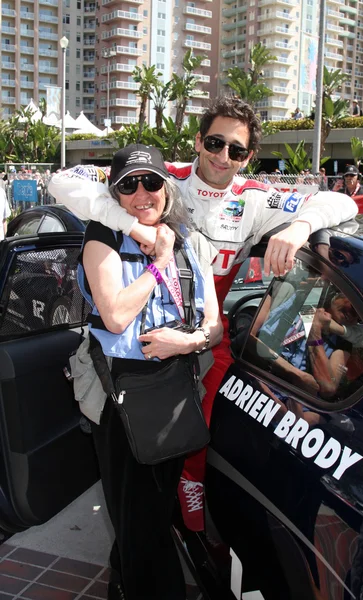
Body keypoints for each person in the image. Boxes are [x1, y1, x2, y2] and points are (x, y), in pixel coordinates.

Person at [48, 96, 358, 531]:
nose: (222, 157)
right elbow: (64, 181)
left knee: (201, 422)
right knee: (137, 462)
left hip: (206, 331)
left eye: (236, 150)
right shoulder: (158, 179)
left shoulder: (258, 198)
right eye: (215, 142)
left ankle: (189, 480)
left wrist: (301, 226)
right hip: (137, 331)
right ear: (198, 141)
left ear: (249, 157)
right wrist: (130, 225)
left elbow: (342, 203)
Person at [77, 144, 223, 599]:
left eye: (152, 182)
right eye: (128, 184)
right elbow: (117, 316)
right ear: (115, 193)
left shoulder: (191, 241)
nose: (142, 193)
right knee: (140, 521)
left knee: (153, 512)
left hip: (175, 390)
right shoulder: (102, 239)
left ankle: (123, 583)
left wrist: (189, 341)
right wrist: (158, 264)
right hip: (121, 396)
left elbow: (214, 327)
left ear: (167, 187)